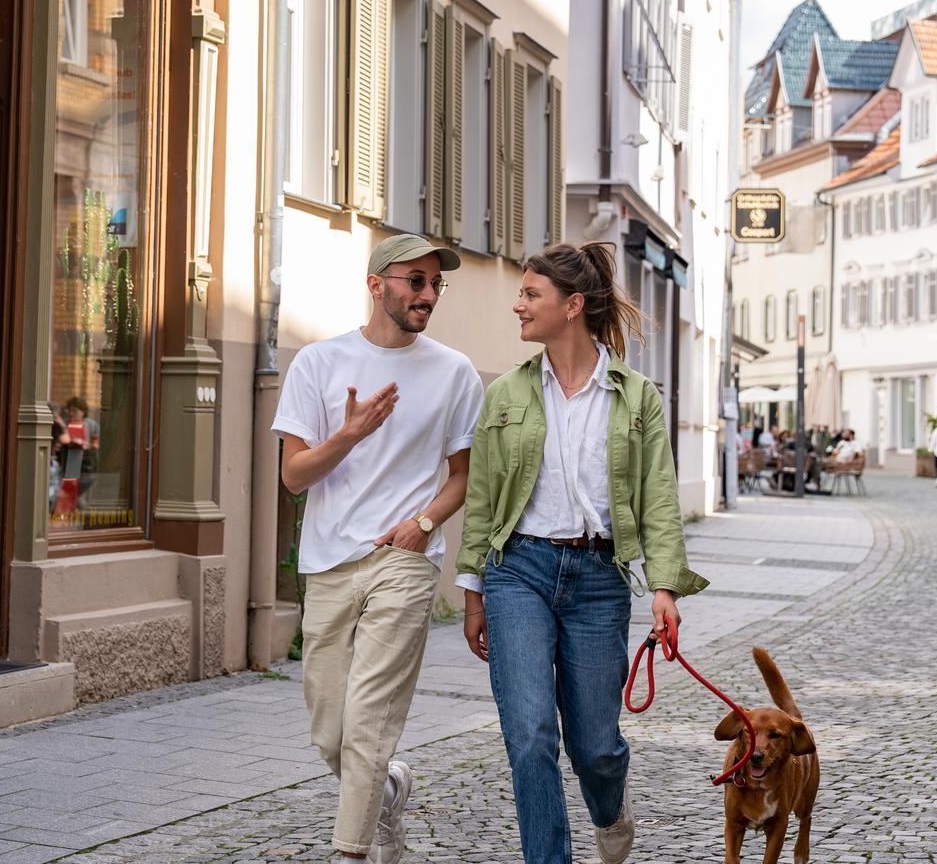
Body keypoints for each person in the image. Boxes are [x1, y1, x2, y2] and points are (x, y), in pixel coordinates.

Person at [458, 242, 707, 864]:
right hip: (518, 571)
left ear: (572, 306)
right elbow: (483, 499)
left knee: (595, 745)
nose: (518, 305)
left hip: (598, 578)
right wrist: (473, 592)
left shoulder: (635, 396)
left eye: (530, 294)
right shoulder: (508, 395)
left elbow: (658, 499)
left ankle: (609, 807)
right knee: (531, 733)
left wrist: (665, 588)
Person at [274, 234, 481, 863]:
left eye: (434, 284)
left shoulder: (454, 372)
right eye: (414, 281)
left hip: (404, 560)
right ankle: (389, 789)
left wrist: (423, 523)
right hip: (330, 562)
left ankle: (351, 852)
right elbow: (294, 476)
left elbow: (465, 475)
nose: (427, 294)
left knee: (368, 723)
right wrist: (351, 434)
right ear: (376, 285)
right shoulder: (318, 363)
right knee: (330, 732)